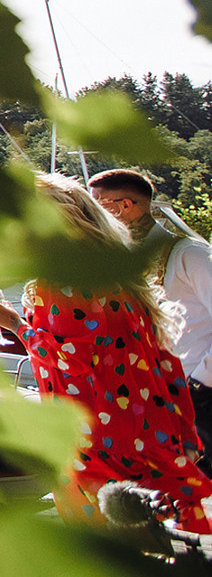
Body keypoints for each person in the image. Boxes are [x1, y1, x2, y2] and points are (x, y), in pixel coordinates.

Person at [0, 174, 212, 531]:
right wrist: (182, 433)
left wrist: (13, 323)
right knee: (143, 529)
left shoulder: (63, 282)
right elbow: (162, 356)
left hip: (91, 432)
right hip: (138, 425)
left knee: (106, 534)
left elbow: (69, 358)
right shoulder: (118, 275)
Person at [90, 168, 212, 434]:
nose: (92, 215)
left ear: (124, 206)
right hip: (154, 395)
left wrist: (201, 382)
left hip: (197, 396)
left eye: (97, 204)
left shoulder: (190, 254)